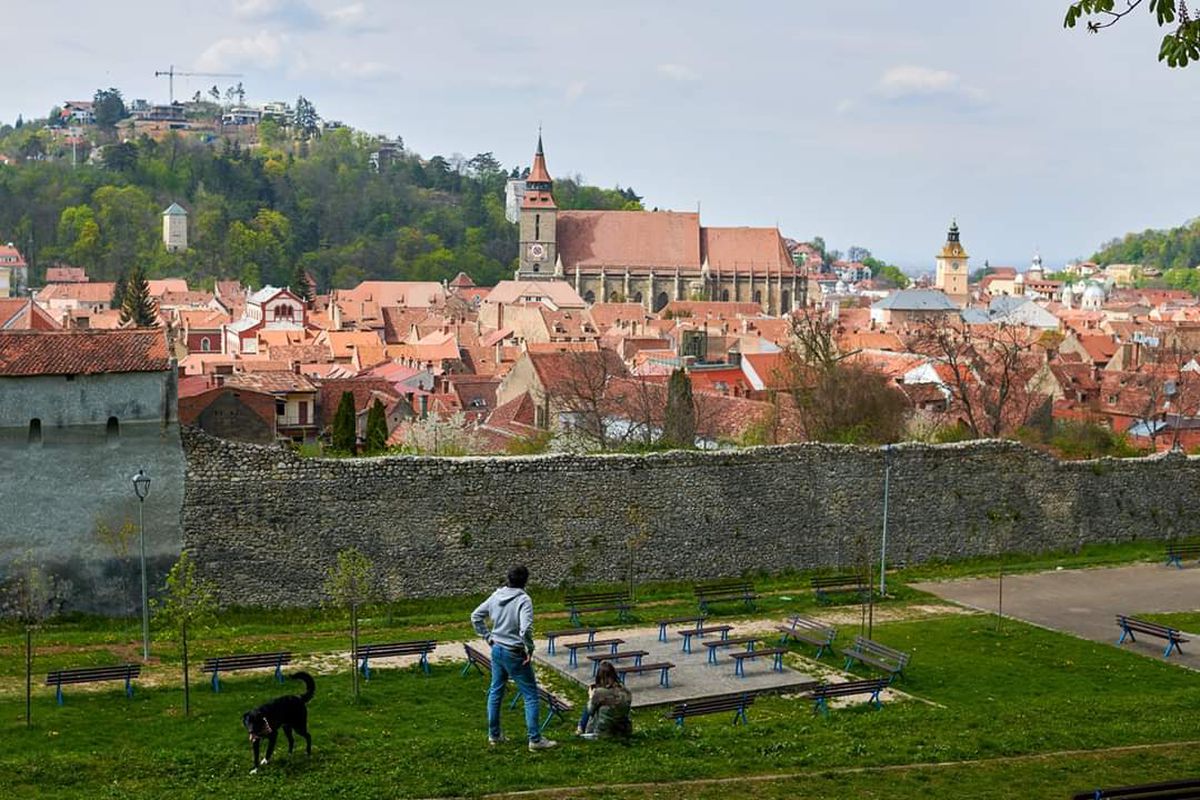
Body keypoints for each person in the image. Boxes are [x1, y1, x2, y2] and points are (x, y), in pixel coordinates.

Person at [470, 564, 557, 751]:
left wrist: (487, 637)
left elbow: (475, 616)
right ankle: (535, 739)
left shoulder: (496, 596)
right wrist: (530, 648)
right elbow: (525, 628)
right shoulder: (524, 600)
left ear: (508, 578)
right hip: (514, 652)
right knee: (530, 695)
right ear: (526, 581)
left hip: (497, 649)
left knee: (496, 692)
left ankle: (494, 735)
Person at [575, 661, 632, 741]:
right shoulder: (626, 691)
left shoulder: (600, 692)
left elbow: (590, 711)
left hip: (604, 732)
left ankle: (580, 728)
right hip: (624, 730)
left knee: (590, 705)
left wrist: (591, 697)